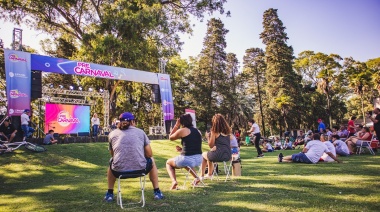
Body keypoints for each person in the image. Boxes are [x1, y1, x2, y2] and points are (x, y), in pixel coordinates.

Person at [104, 112, 164, 202]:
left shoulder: (112, 134)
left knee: (112, 162)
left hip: (118, 171)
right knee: (152, 160)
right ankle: (157, 191)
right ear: (132, 122)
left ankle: (109, 193)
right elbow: (149, 154)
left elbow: (113, 154)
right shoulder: (140, 132)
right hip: (141, 169)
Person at [167, 114, 203, 190]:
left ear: (181, 121)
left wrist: (176, 125)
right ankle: (196, 178)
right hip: (199, 159)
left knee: (168, 163)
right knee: (187, 162)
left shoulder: (182, 130)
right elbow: (193, 146)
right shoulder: (198, 131)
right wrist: (181, 150)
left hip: (187, 159)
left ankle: (174, 181)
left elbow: (170, 137)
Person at [200, 114, 232, 180]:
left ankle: (202, 175)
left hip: (218, 155)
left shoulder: (214, 131)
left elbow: (211, 145)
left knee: (204, 155)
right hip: (228, 156)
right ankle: (209, 174)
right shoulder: (228, 132)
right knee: (210, 154)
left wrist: (208, 137)